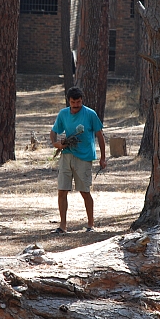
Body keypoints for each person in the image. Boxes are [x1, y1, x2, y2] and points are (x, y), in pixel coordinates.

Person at [50, 87, 106, 233]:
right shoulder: (63, 114)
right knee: (62, 191)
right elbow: (53, 132)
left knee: (84, 192)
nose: (76, 105)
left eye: (79, 102)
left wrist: (103, 158)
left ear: (82, 100)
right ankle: (62, 226)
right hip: (66, 156)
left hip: (84, 157)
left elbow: (100, 136)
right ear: (68, 101)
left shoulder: (90, 114)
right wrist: (56, 143)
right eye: (73, 102)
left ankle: (90, 224)